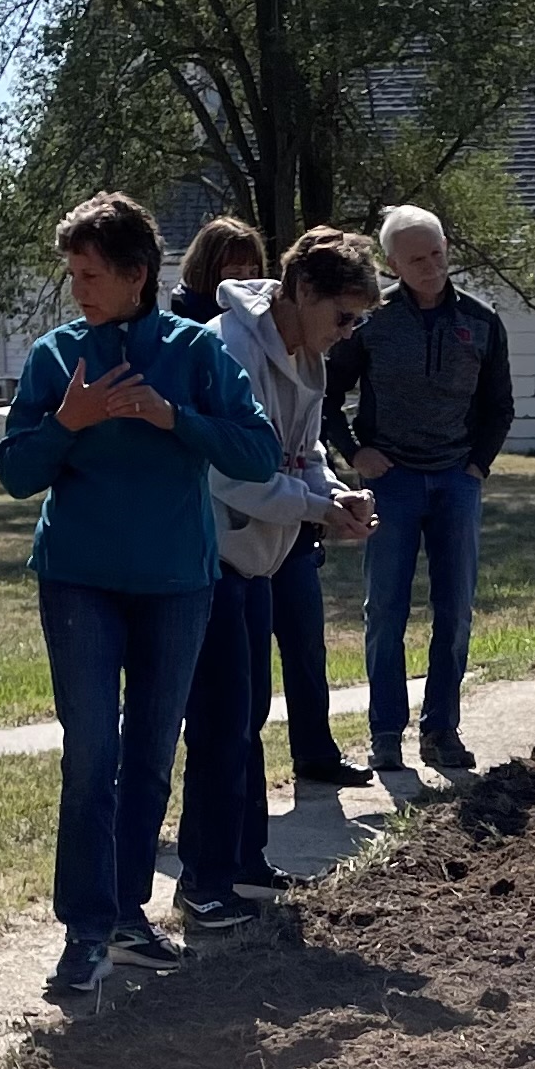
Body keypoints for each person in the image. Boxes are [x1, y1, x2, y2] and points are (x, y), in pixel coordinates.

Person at [0, 193, 281, 999]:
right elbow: (14, 474)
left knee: (150, 754)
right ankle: (83, 933)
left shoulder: (194, 351)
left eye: (90, 275)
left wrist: (171, 416)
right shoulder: (56, 355)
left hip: (175, 582)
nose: (77, 289)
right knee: (91, 754)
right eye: (72, 274)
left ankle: (126, 916)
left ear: (137, 274)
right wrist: (69, 420)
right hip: (79, 580)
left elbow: (258, 452)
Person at [178, 228, 384, 930]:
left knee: (248, 717)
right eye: (343, 317)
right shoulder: (226, 349)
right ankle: (202, 882)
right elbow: (230, 476)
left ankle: (243, 861)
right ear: (300, 291)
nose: (347, 333)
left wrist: (336, 494)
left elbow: (305, 451)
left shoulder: (308, 358)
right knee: (218, 725)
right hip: (209, 556)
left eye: (356, 321)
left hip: (259, 558)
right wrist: (318, 508)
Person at [323, 204, 513, 774]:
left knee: (454, 608)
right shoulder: (370, 322)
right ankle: (385, 733)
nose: (430, 268)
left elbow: (499, 406)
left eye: (436, 254)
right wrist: (355, 452)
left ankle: (442, 730)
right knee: (386, 607)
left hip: (456, 480)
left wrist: (476, 467)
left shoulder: (481, 320)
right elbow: (327, 396)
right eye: (416, 261)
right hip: (392, 481)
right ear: (392, 265)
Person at [170, 216, 267, 323]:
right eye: (235, 273)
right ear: (207, 271)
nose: (247, 281)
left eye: (253, 272)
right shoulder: (187, 313)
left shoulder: (264, 311)